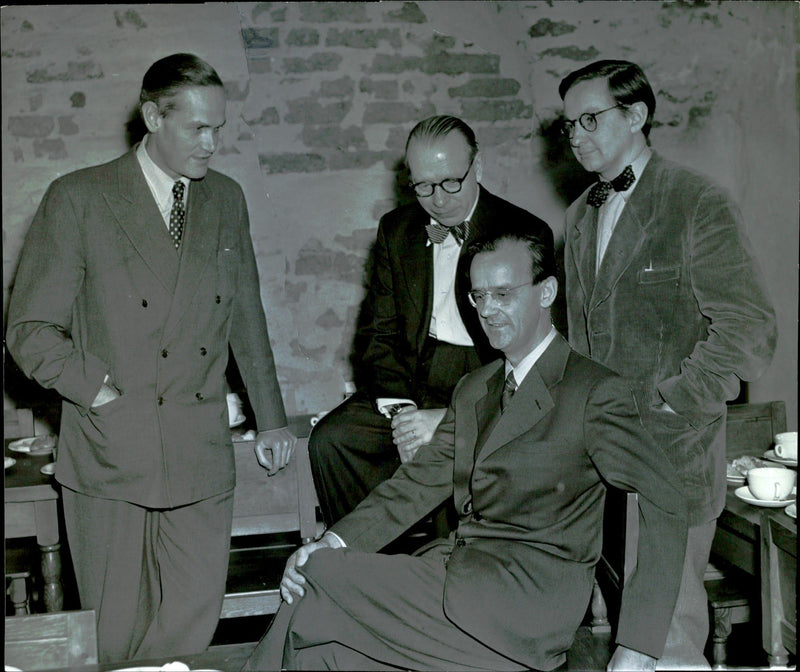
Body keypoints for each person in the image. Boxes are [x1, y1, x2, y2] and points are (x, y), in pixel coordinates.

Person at [241, 227, 688, 672]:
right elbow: (417, 484)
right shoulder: (475, 388)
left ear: (547, 291)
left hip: (526, 608)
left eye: (503, 294)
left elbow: (666, 499)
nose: (488, 311)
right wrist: (332, 540)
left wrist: (640, 646)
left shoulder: (593, 391)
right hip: (458, 577)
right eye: (478, 297)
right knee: (322, 655)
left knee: (317, 578)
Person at [5, 53, 297, 662]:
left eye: (219, 127)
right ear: (151, 117)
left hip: (198, 447)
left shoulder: (226, 199)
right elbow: (30, 330)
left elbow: (246, 315)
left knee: (190, 625)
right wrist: (100, 393)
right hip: (113, 448)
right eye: (197, 128)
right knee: (118, 635)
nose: (212, 143)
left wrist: (270, 417)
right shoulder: (80, 198)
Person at [559, 60, 778, 669]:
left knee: (672, 639)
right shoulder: (580, 216)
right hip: (601, 453)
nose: (576, 136)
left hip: (671, 452)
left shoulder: (696, 201)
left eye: (590, 119)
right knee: (633, 636)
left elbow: (749, 329)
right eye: (568, 125)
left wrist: (675, 398)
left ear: (636, 115)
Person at [309, 114, 552, 528]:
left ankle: (440, 567)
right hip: (414, 377)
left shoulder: (523, 232)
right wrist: (402, 412)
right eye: (423, 186)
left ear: (478, 167)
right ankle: (367, 569)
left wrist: (449, 417)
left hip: (485, 379)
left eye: (450, 182)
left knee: (452, 459)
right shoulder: (397, 229)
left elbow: (530, 355)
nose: (438, 200)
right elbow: (379, 331)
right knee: (332, 441)